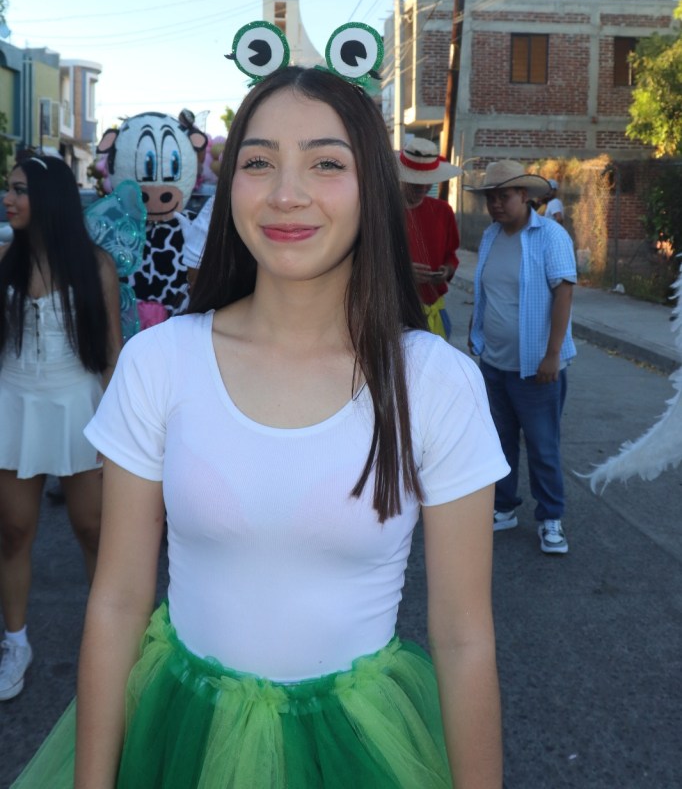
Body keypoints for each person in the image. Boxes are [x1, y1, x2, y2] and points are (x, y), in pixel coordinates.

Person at [12, 66, 509, 788]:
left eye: (326, 162)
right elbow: (117, 601)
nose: (286, 193)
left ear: (371, 185)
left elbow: (463, 637)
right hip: (176, 734)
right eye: (258, 162)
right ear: (229, 185)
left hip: (362, 747)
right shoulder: (159, 362)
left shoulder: (435, 381)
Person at [0, 156, 122, 701]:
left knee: (94, 530)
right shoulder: (4, 260)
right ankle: (15, 642)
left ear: (49, 199)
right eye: (9, 189)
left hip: (81, 407)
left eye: (19, 190)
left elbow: (112, 354)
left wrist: (121, 434)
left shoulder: (96, 266)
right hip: (13, 406)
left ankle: (107, 642)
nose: (8, 200)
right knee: (13, 531)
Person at [465, 160, 577, 555]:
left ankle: (551, 518)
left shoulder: (549, 235)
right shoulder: (491, 235)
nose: (496, 204)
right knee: (499, 441)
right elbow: (488, 291)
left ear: (525, 196)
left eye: (504, 196)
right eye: (490, 198)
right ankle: (504, 506)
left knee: (543, 446)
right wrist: (476, 332)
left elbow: (564, 293)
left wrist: (552, 355)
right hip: (495, 363)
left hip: (536, 367)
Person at [396, 138, 461, 341]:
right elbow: (363, 261)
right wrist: (402, 272)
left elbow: (451, 255)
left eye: (428, 183)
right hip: (394, 312)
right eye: (416, 184)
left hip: (435, 309)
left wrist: (446, 270)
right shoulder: (382, 211)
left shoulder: (443, 211)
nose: (423, 189)